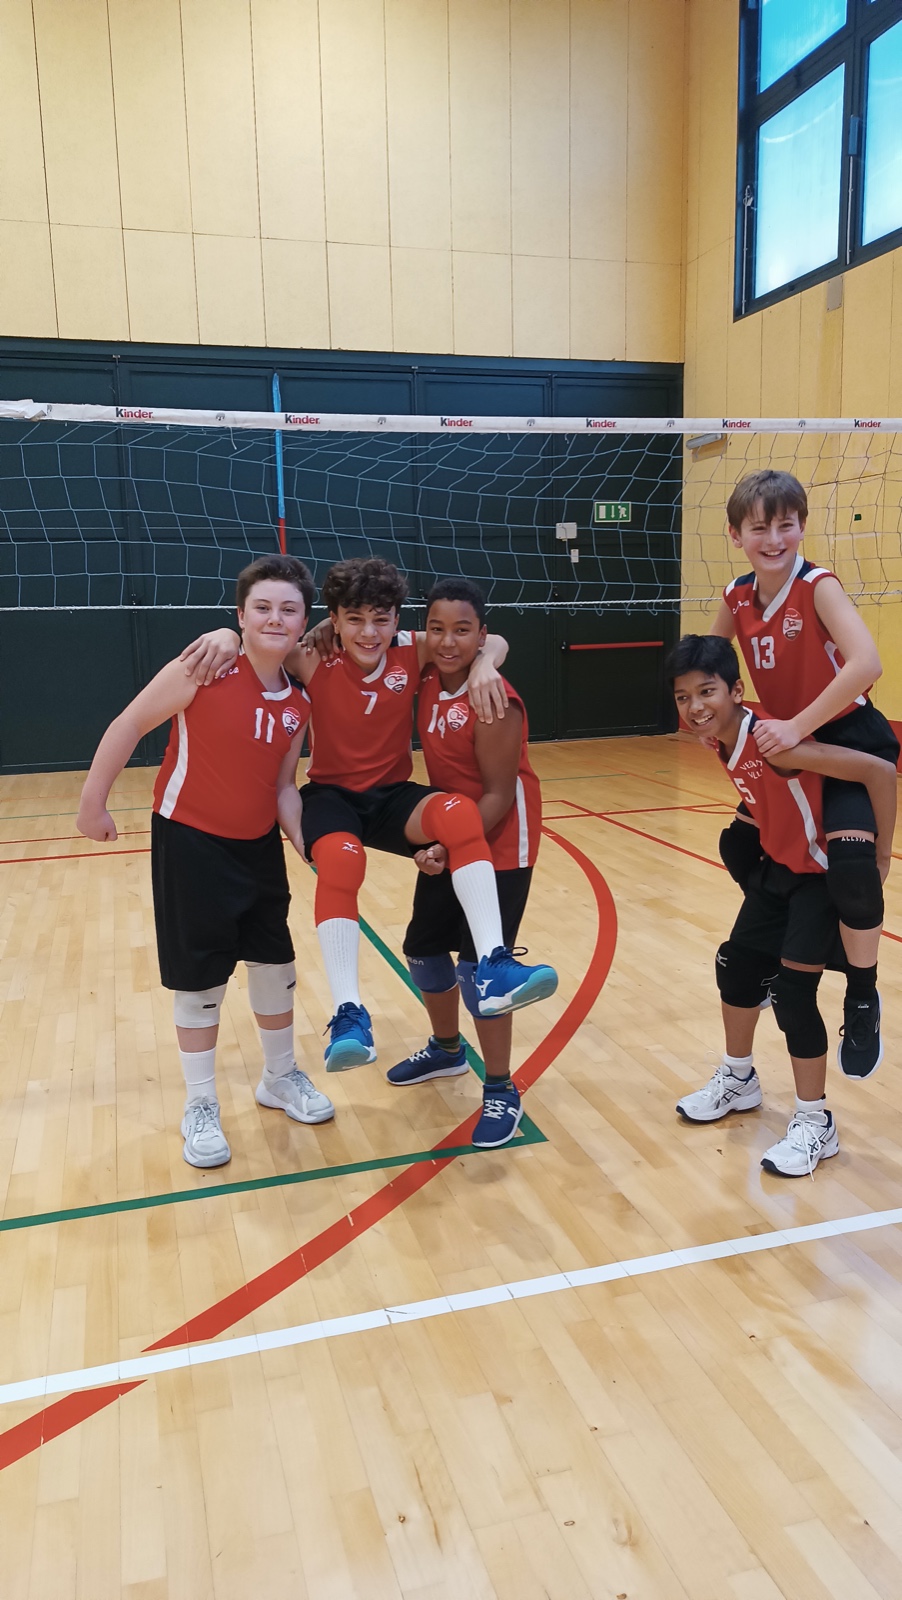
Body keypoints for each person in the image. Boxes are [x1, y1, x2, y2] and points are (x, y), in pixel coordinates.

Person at [182, 557, 557, 1072]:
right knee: (341, 860)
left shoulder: (413, 649)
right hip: (332, 796)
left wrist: (489, 660)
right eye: (354, 619)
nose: (369, 632)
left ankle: (494, 964)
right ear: (334, 621)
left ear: (397, 621)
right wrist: (226, 633)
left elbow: (482, 640)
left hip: (392, 795)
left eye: (381, 619)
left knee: (458, 813)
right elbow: (258, 643)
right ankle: (349, 1013)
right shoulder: (310, 657)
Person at [77, 555, 334, 1170]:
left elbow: (283, 787)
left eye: (289, 609)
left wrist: (308, 845)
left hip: (257, 846)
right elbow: (129, 723)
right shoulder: (204, 667)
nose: (275, 618)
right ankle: (200, 1104)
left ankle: (279, 1077)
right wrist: (92, 804)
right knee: (201, 981)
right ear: (240, 615)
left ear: (304, 622)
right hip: (190, 842)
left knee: (276, 964)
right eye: (262, 607)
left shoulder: (298, 702)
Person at [668, 634, 896, 1177]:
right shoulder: (720, 739)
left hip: (818, 878)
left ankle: (816, 1122)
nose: (695, 707)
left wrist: (882, 855)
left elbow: (880, 770)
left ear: (736, 691)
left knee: (793, 997)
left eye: (707, 692)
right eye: (683, 697)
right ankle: (739, 1079)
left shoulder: (774, 742)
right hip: (779, 870)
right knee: (735, 966)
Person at [710, 470, 900, 1078]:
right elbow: (708, 664)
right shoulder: (736, 596)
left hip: (844, 737)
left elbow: (866, 663)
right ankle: (782, 947)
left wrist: (795, 726)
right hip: (785, 743)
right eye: (759, 528)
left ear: (801, 527)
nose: (773, 539)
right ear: (736, 534)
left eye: (785, 526)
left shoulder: (818, 586)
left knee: (852, 867)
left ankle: (862, 996)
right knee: (741, 846)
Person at [386, 577, 545, 1149]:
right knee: (424, 950)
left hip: (499, 844)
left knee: (482, 973)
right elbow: (369, 636)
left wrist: (447, 848)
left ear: (481, 634)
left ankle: (501, 1087)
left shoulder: (493, 699)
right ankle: (447, 1049)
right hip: (452, 832)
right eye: (437, 629)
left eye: (463, 630)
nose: (448, 641)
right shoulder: (427, 675)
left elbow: (499, 795)